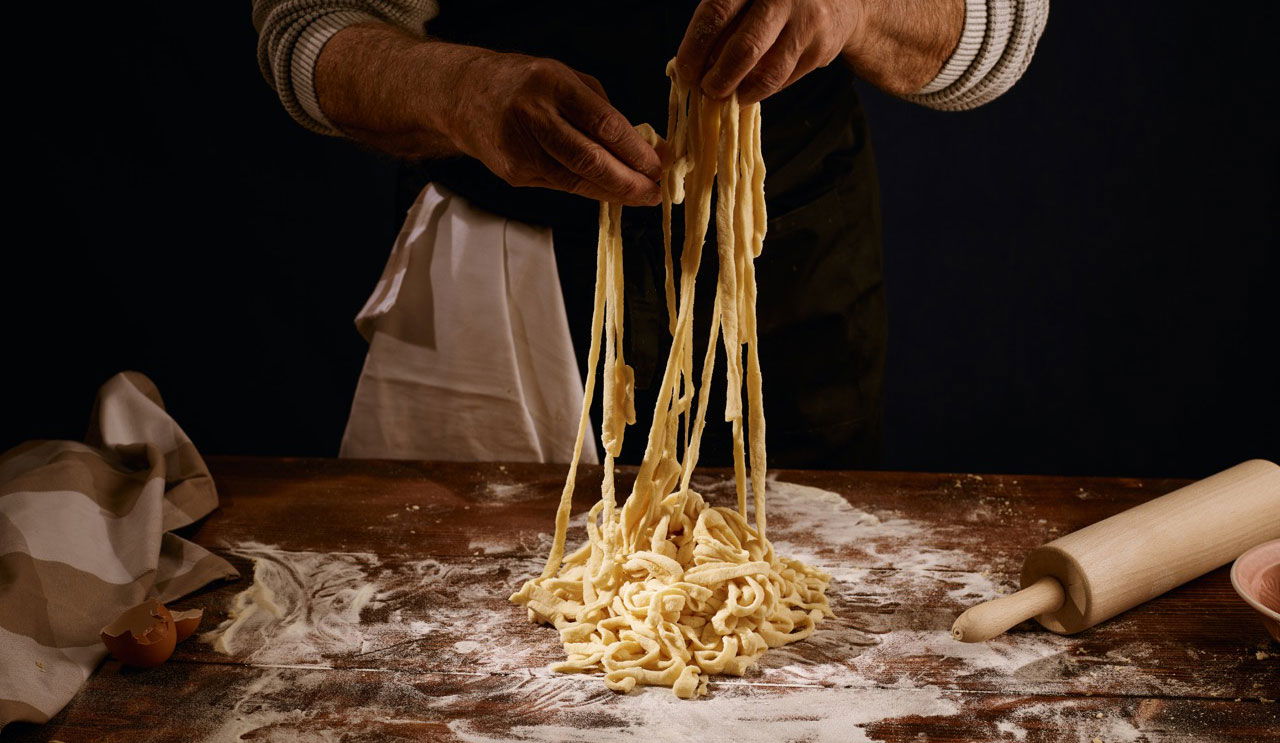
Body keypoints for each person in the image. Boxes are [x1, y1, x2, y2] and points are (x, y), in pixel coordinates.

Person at [253, 0, 1047, 468]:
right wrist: (459, 89)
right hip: (501, 264)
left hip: (788, 271)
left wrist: (856, 6)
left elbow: (1002, 28)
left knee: (798, 659)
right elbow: (306, 27)